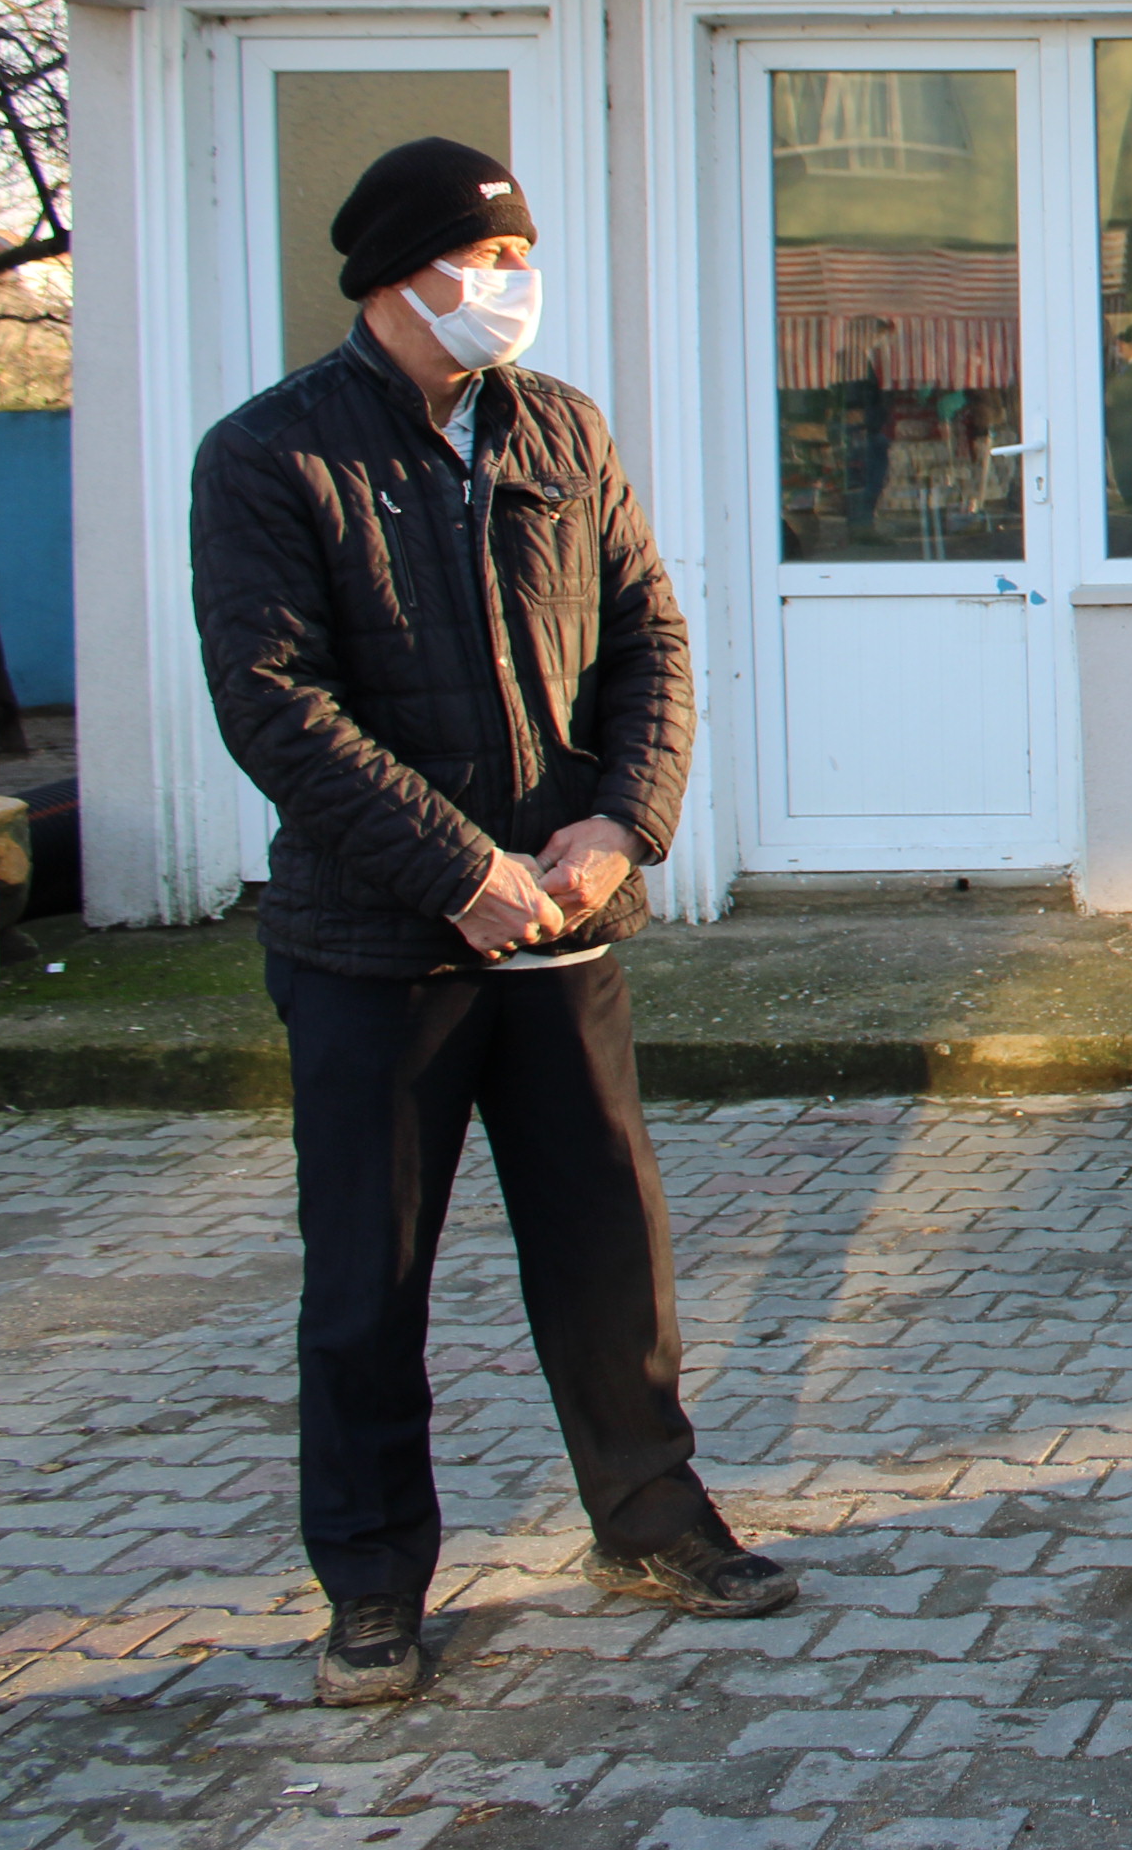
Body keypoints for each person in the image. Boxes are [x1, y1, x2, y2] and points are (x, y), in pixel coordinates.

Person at [189, 136, 796, 1709]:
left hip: (568, 929)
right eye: (487, 262)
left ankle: (651, 1520)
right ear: (397, 281)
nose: (513, 288)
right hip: (381, 950)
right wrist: (460, 868)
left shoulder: (561, 431)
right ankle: (375, 1587)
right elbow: (274, 704)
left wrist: (622, 821)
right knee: (368, 1284)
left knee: (609, 1249)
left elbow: (652, 635)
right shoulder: (272, 457)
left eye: (523, 260)